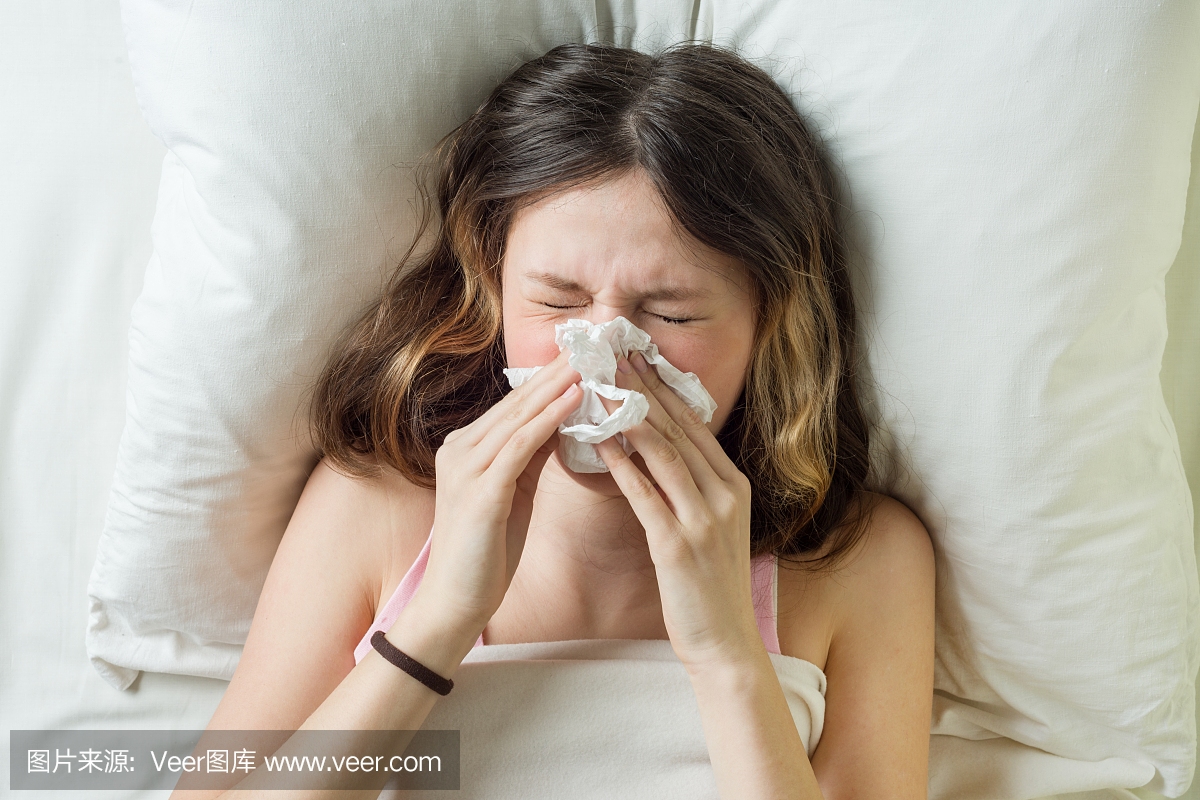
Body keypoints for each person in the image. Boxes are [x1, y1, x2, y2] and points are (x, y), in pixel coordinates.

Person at [184, 42, 935, 799]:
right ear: (495, 287)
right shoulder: (375, 510)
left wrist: (726, 656)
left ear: (768, 326)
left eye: (670, 313)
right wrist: (439, 621)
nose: (602, 357)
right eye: (558, 302)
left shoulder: (860, 564)